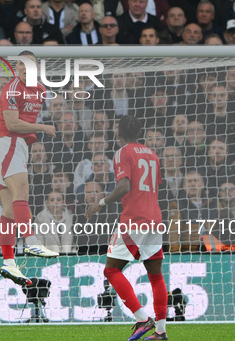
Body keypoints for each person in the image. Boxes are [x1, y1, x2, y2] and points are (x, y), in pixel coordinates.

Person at [86, 115, 168, 340]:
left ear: (118, 131)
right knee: (156, 275)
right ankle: (160, 333)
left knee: (111, 270)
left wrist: (100, 203)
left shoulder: (123, 153)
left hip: (134, 220)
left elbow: (124, 186)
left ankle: (142, 318)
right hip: (154, 219)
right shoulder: (152, 154)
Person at [0, 50, 59, 287]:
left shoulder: (40, 90)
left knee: (9, 208)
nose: (22, 67)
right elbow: (11, 123)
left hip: (19, 145)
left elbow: (26, 121)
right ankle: (31, 240)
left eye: (27, 63)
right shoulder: (11, 89)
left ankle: (9, 262)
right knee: (23, 193)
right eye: (19, 63)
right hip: (8, 142)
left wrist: (36, 130)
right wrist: (43, 128)